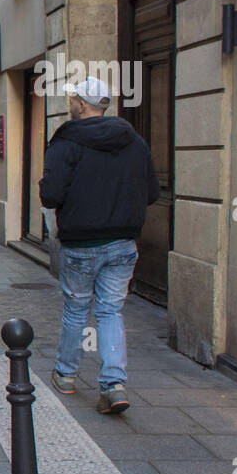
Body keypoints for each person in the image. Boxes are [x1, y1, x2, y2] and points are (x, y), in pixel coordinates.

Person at [40, 77, 160, 415]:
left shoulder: (66, 141)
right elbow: (151, 192)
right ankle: (113, 384)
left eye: (72, 98)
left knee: (77, 309)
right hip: (123, 242)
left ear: (80, 103)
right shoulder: (133, 141)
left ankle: (65, 375)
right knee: (110, 310)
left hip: (82, 242)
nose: (70, 103)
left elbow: (50, 194)